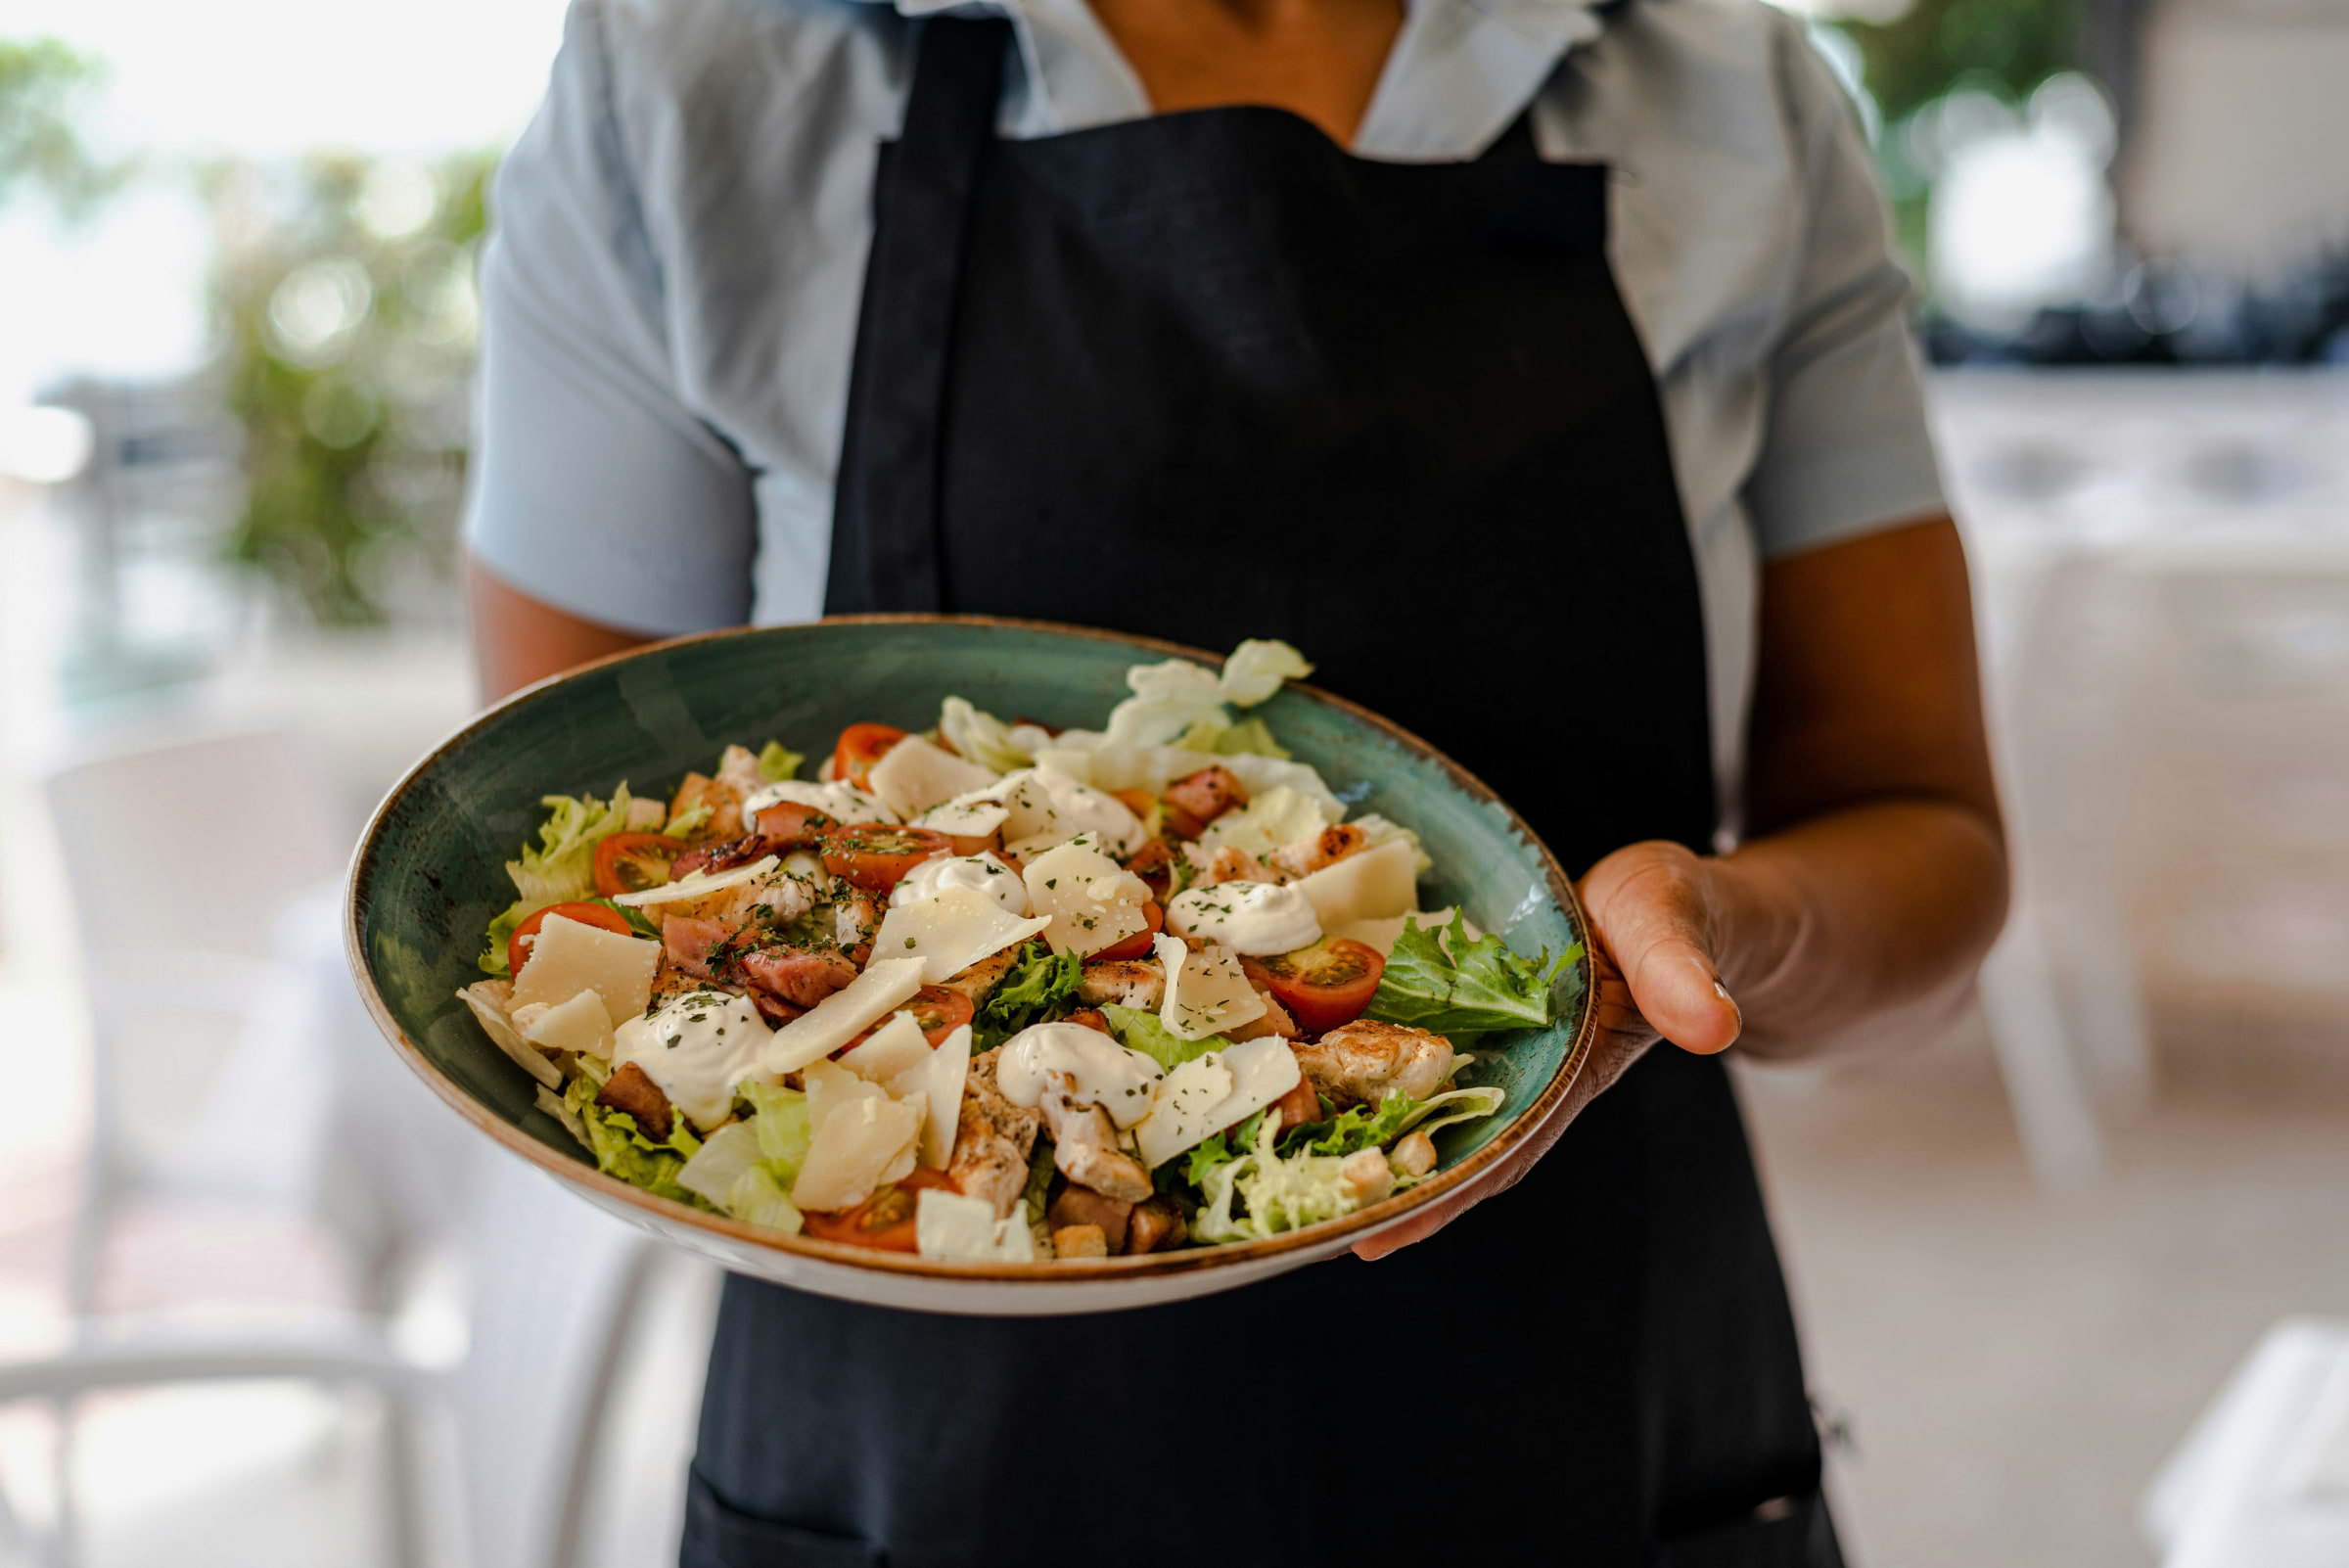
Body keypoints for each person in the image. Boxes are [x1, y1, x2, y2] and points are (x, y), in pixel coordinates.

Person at [463, 1, 2007, 1562]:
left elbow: (1927, 830)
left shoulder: (1730, 90)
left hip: (1590, 1402)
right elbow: (554, 813)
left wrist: (1713, 935)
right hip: (915, 1456)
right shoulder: (690, 74)